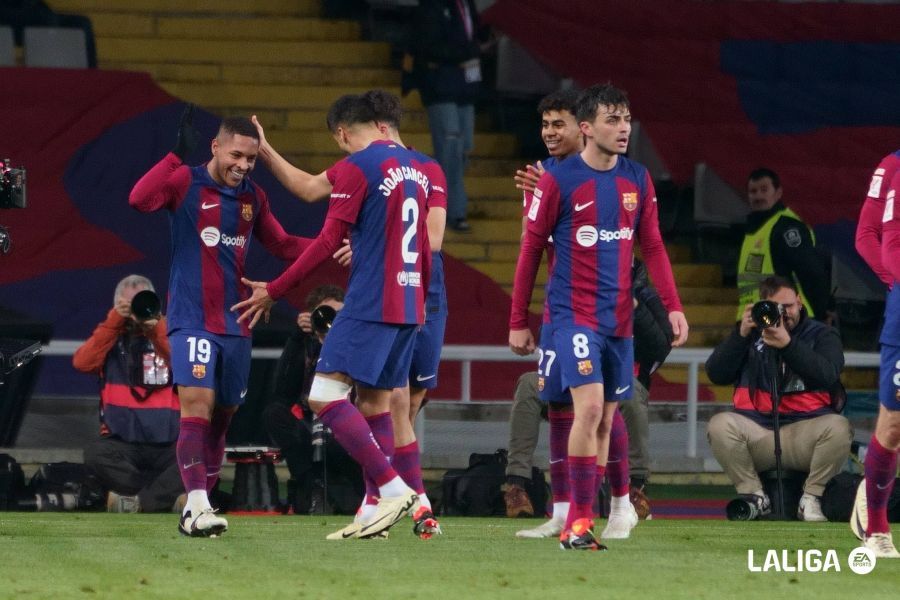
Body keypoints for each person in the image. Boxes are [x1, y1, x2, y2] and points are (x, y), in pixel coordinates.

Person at [234, 93, 432, 540]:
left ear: (342, 133)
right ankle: (372, 512)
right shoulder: (417, 169)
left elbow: (326, 243)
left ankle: (395, 488)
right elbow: (422, 243)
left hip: (370, 301)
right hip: (408, 301)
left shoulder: (357, 167)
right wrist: (265, 150)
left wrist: (276, 288)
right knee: (374, 404)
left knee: (324, 395)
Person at [509, 83, 689, 550]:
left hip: (619, 321)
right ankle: (577, 523)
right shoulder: (558, 179)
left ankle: (609, 509)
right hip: (571, 317)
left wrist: (673, 305)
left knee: (607, 420)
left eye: (626, 118)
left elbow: (652, 246)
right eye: (613, 119)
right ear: (588, 128)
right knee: (581, 408)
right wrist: (517, 318)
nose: (624, 127)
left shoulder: (638, 178)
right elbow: (530, 250)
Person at [129, 109, 313, 537]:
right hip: (191, 318)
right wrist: (174, 155)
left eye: (251, 159)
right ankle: (195, 503)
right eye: (236, 156)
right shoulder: (184, 181)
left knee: (222, 417)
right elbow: (139, 200)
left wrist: (337, 244)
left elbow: (284, 244)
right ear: (215, 146)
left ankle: (201, 505)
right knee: (197, 405)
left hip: (236, 325)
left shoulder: (253, 198)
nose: (243, 166)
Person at [706, 276, 850, 522]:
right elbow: (716, 373)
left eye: (789, 307)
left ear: (800, 302)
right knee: (719, 425)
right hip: (758, 432)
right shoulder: (749, 334)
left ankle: (812, 498)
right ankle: (754, 496)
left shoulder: (822, 334)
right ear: (763, 306)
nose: (784, 315)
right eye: (776, 308)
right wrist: (740, 335)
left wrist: (788, 345)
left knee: (839, 428)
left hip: (806, 433)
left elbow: (827, 374)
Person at [72, 274, 183, 513]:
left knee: (200, 456)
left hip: (169, 446)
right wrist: (114, 321)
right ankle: (162, 497)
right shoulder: (109, 340)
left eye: (142, 302)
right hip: (123, 447)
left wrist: (156, 327)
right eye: (128, 305)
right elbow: (82, 363)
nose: (136, 311)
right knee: (94, 454)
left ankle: (138, 502)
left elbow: (184, 364)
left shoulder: (170, 334)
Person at [262, 284, 365, 515]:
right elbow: (282, 392)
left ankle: (358, 495)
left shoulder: (357, 344)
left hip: (349, 429)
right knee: (274, 413)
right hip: (311, 429)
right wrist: (297, 338)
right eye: (326, 316)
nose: (332, 323)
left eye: (339, 316)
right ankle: (312, 488)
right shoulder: (306, 344)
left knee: (339, 435)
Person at [851, 160, 900, 558]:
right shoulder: (894, 168)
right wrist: (896, 284)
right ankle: (878, 526)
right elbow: (871, 236)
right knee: (894, 422)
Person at [408, 0, 486, 232]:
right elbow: (429, 45)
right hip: (441, 87)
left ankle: (442, 204)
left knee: (462, 151)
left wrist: (478, 46)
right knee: (450, 150)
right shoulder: (432, 6)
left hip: (465, 89)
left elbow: (471, 39)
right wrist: (468, 52)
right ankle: (453, 212)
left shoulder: (467, 5)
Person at [736, 167, 831, 321]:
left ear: (778, 193)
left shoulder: (787, 228)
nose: (758, 195)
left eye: (764, 190)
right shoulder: (751, 229)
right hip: (755, 317)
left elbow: (811, 272)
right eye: (753, 191)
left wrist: (821, 311)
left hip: (785, 318)